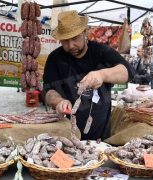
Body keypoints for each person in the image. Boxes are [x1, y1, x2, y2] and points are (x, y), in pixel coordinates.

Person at [43, 10, 134, 140]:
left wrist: (103, 75)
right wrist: (58, 101)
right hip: (65, 134)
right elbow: (48, 90)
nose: (70, 45)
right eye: (65, 41)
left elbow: (128, 71)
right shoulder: (55, 58)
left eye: (75, 38)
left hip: (100, 135)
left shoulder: (101, 52)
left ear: (85, 32)